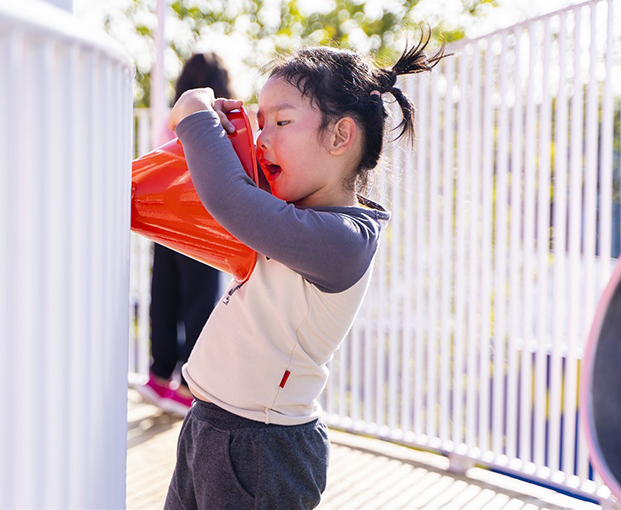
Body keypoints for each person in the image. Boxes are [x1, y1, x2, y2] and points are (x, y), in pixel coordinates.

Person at [162, 29, 446, 509]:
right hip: (211, 426)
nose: (263, 138)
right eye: (261, 122)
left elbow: (230, 199)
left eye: (282, 121)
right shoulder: (297, 219)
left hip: (260, 449)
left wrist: (194, 115)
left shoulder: (342, 242)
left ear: (340, 135)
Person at [135, 52, 234, 416]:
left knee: (164, 296)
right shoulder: (219, 124)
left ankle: (160, 377)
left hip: (165, 221)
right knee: (200, 305)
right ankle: (193, 386)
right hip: (203, 224)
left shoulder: (170, 121)